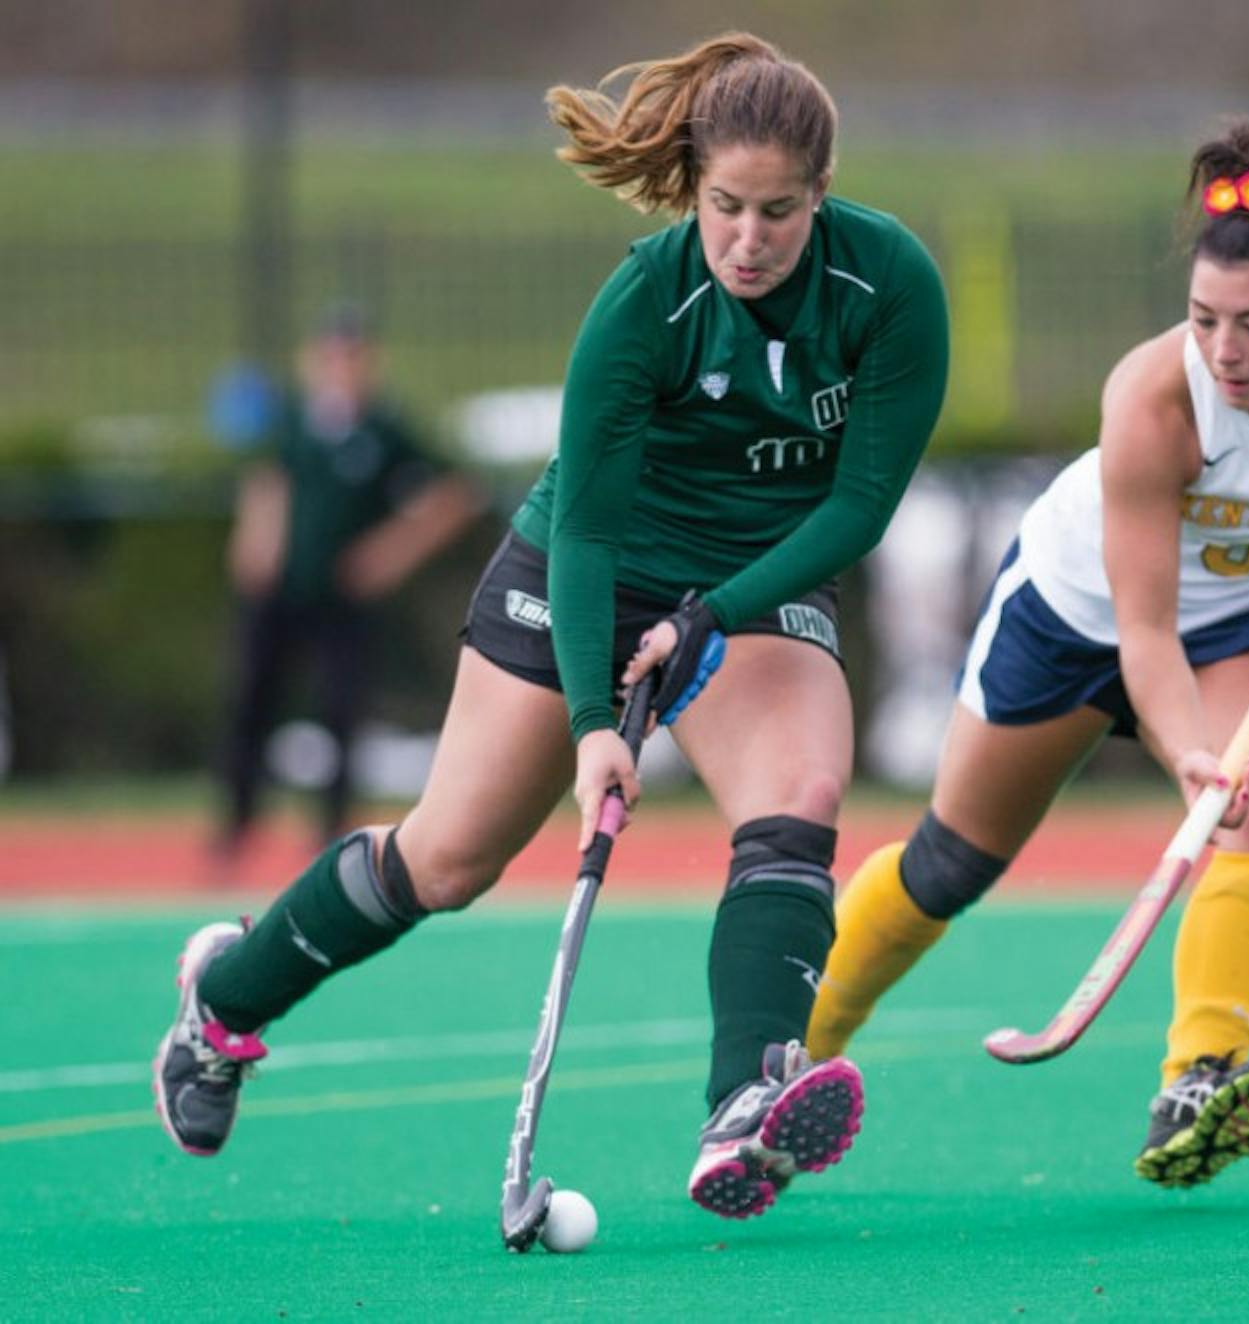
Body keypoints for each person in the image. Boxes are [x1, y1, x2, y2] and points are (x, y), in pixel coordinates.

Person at [153, 32, 950, 1223]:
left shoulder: (888, 287)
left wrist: (714, 615)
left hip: (754, 576)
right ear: (693, 188)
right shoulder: (644, 302)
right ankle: (224, 1001)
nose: (747, 239)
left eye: (778, 213)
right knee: (447, 859)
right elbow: (584, 533)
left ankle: (744, 1100)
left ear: (821, 193)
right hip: (590, 563)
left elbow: (859, 507)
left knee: (801, 794)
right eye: (725, 207)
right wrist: (593, 725)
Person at [805, 120, 1249, 1190]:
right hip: (1073, 612)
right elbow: (1142, 629)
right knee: (949, 863)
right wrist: (1190, 757)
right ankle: (794, 1049)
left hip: (1242, 623)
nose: (1223, 352)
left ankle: (1197, 1076)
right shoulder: (1154, 397)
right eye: (1202, 319)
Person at [215, 305, 483, 868]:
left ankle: (328, 832)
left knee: (340, 712)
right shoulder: (293, 419)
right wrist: (257, 538)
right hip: (280, 594)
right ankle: (236, 827)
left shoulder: (384, 431)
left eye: (353, 356)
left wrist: (391, 552)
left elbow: (453, 494)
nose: (342, 367)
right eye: (333, 355)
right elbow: (267, 478)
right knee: (252, 703)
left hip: (342, 599)